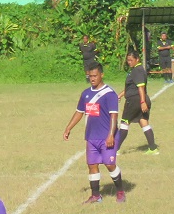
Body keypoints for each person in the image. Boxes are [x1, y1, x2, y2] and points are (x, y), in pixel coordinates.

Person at [63, 63, 125, 204]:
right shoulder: (86, 94)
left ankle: (120, 191)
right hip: (91, 137)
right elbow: (79, 112)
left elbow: (114, 116)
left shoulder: (109, 94)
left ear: (102, 75)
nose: (92, 78)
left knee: (110, 165)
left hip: (107, 137)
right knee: (92, 165)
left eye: (95, 76)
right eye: (90, 76)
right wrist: (68, 128)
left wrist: (110, 135)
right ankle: (96, 196)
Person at [116, 49, 159, 154]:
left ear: (137, 59)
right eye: (128, 60)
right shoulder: (135, 70)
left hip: (135, 101)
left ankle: (115, 149)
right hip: (139, 99)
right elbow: (131, 87)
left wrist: (142, 102)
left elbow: (141, 87)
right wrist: (120, 95)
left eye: (131, 60)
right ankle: (153, 149)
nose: (129, 62)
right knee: (144, 122)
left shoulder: (137, 70)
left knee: (124, 124)